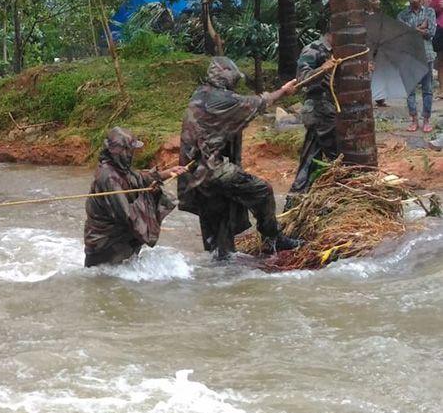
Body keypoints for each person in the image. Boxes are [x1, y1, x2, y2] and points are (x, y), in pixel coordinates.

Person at [178, 57, 301, 259]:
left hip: (196, 174)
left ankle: (222, 271)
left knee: (219, 230)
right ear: (225, 77)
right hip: (211, 170)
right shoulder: (219, 99)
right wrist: (283, 91)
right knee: (262, 191)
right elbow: (256, 103)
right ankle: (273, 239)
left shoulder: (201, 94)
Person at [84, 127, 187, 267]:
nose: (133, 154)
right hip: (107, 245)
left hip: (121, 241)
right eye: (130, 150)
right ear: (122, 151)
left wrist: (167, 173)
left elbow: (138, 178)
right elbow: (126, 214)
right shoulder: (108, 177)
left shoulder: (120, 169)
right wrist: (150, 219)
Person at [287, 28, 339, 202]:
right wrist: (322, 70)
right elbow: (301, 79)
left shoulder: (338, 52)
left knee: (310, 160)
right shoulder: (313, 49)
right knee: (337, 157)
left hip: (328, 111)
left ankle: (295, 201)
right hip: (319, 111)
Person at [397, 0, 437, 133]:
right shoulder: (402, 15)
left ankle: (426, 120)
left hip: (426, 55)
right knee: (410, 90)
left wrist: (413, 30)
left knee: (427, 90)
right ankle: (414, 120)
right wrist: (420, 29)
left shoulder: (430, 12)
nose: (414, 0)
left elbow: (431, 32)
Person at [430, 0, 443, 99]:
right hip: (440, 28)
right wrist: (439, 7)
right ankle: (441, 89)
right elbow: (431, 10)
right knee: (441, 60)